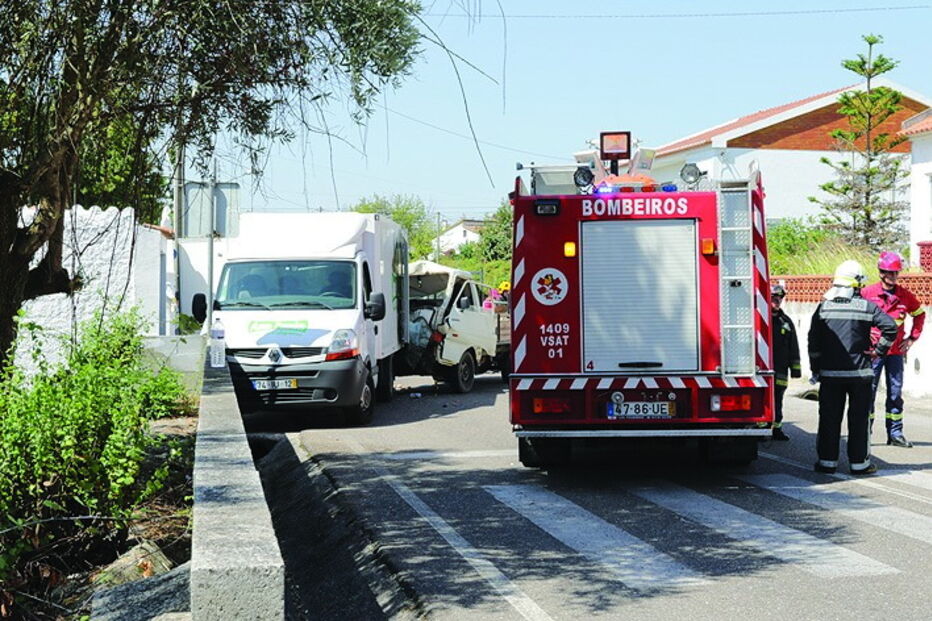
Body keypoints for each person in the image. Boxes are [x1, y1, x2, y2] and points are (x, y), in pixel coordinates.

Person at [808, 260, 898, 476]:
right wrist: (879, 351)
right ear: (857, 285)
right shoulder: (867, 307)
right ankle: (860, 464)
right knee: (859, 420)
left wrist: (816, 368)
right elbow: (891, 327)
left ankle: (827, 463)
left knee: (829, 419)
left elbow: (813, 341)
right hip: (860, 376)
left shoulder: (824, 307)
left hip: (830, 376)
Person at [861, 251, 926, 448]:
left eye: (896, 273)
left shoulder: (905, 296)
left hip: (895, 353)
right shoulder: (867, 294)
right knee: (868, 392)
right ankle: (865, 432)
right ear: (881, 272)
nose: (893, 277)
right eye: (889, 273)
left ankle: (895, 433)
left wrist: (912, 338)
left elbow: (919, 314)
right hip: (872, 353)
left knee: (895, 394)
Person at [770, 284, 801, 441]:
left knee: (778, 398)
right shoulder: (760, 320)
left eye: (779, 298)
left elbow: (793, 346)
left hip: (780, 369)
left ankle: (776, 429)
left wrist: (796, 370)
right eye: (774, 298)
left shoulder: (786, 322)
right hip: (763, 369)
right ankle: (760, 429)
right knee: (763, 399)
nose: (777, 301)